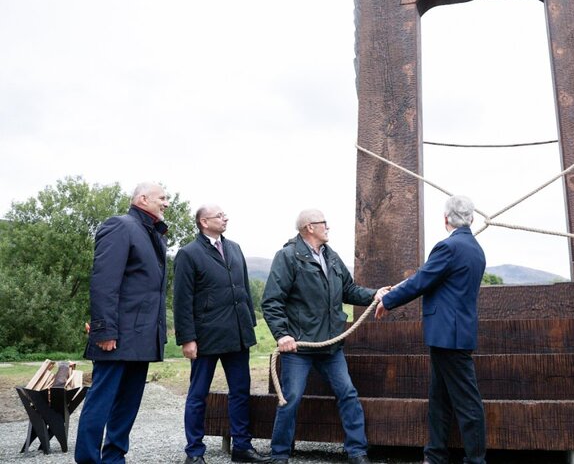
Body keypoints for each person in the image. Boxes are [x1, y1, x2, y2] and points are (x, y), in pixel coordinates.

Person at [261, 209, 387, 464]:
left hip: (331, 346)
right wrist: (282, 334)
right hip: (299, 347)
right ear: (309, 227)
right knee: (291, 398)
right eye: (324, 223)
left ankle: (357, 451)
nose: (328, 227)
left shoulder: (331, 256)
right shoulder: (287, 257)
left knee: (348, 393)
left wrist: (375, 293)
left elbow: (349, 290)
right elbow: (272, 301)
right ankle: (280, 454)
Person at [376, 195, 487, 464]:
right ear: (471, 219)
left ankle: (476, 460)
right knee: (439, 398)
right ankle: (435, 455)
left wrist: (388, 300)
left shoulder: (448, 247)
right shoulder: (476, 248)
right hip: (454, 335)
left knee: (467, 402)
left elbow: (422, 280)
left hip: (449, 336)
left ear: (445, 219)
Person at [75, 182, 170, 464]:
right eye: (162, 198)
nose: (166, 203)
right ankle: (89, 460)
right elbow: (104, 283)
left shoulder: (153, 233)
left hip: (142, 336)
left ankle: (114, 458)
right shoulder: (120, 226)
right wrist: (104, 330)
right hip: (116, 335)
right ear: (143, 198)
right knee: (101, 401)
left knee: (128, 403)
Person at [173, 205, 268, 464]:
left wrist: (249, 322)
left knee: (240, 391)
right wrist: (187, 339)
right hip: (205, 337)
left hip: (237, 335)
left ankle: (242, 447)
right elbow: (182, 300)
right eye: (220, 216)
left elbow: (244, 288)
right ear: (204, 222)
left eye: (225, 215)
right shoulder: (188, 254)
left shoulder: (234, 248)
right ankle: (194, 452)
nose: (226, 218)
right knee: (198, 394)